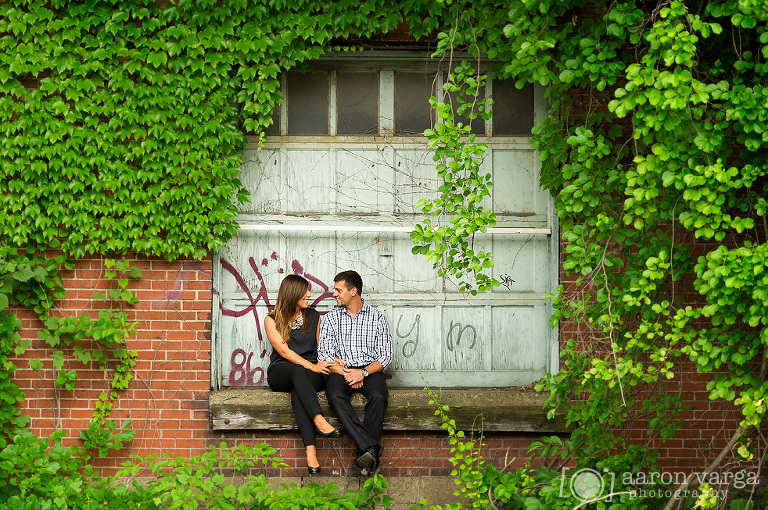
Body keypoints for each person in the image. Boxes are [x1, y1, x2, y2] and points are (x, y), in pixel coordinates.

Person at [317, 270, 392, 476]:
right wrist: (347, 373)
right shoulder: (331, 318)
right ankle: (371, 448)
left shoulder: (377, 318)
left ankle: (365, 452)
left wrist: (363, 373)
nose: (334, 294)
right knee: (334, 396)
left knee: (378, 396)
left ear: (353, 291)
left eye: (338, 290)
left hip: (369, 371)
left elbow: (384, 357)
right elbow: (324, 355)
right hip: (340, 372)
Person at [265, 274, 340, 475]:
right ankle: (318, 419)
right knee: (299, 371)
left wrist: (335, 359)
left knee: (299, 392)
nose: (309, 294)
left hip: (309, 372)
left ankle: (311, 452)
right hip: (282, 371)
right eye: (305, 291)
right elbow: (284, 352)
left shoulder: (314, 316)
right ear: (293, 293)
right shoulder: (271, 320)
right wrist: (311, 366)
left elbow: (322, 346)